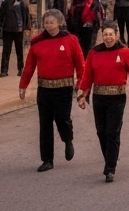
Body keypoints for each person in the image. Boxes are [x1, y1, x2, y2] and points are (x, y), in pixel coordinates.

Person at [19, 9, 84, 172]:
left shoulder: (71, 40)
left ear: (60, 23)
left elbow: (80, 65)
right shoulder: (37, 42)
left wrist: (81, 86)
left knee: (62, 119)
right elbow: (29, 67)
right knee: (45, 124)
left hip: (64, 88)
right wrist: (23, 86)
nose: (48, 25)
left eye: (52, 22)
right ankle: (47, 159)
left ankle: (67, 139)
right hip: (44, 89)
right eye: (46, 22)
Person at [76, 25, 129, 182]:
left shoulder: (126, 53)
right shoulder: (94, 52)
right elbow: (87, 75)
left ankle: (110, 168)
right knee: (101, 132)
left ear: (117, 35)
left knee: (112, 131)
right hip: (99, 97)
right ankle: (111, 157)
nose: (108, 37)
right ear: (102, 35)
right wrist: (82, 93)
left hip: (117, 98)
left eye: (111, 34)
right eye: (105, 34)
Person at [0, 0, 31, 77]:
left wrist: (27, 29)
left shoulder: (23, 4)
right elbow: (1, 18)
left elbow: (27, 17)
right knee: (6, 51)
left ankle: (20, 69)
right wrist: (0, 31)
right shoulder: (5, 4)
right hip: (7, 31)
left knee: (19, 51)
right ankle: (4, 70)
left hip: (19, 31)